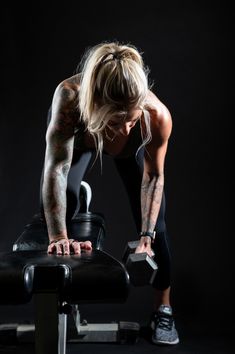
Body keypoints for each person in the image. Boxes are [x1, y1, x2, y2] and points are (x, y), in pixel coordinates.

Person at [40, 41, 179, 345]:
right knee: (62, 207)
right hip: (79, 145)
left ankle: (163, 309)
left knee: (160, 229)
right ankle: (67, 299)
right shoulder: (69, 99)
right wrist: (58, 237)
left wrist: (147, 235)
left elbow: (154, 177)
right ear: (97, 107)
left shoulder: (156, 116)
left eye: (132, 118)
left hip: (130, 158)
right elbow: (56, 169)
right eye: (118, 120)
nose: (127, 127)